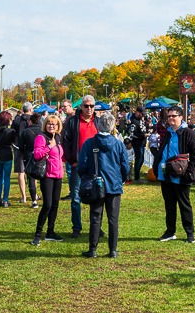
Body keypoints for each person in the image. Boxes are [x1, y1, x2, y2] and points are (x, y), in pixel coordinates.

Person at [77, 113, 129, 258]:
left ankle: (92, 249)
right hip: (114, 184)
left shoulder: (89, 143)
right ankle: (113, 249)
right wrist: (121, 179)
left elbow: (82, 166)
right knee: (113, 219)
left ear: (98, 125)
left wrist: (87, 178)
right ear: (113, 127)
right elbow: (125, 166)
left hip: (96, 184)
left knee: (95, 217)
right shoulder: (118, 144)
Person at [153, 105, 195, 244]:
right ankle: (170, 231)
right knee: (169, 205)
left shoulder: (187, 133)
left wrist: (189, 170)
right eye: (169, 116)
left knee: (184, 204)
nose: (171, 118)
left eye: (174, 116)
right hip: (166, 175)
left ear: (181, 117)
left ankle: (190, 233)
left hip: (181, 176)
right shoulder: (168, 132)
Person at [62, 95, 99, 238]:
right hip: (78, 165)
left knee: (97, 197)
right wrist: (72, 161)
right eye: (86, 106)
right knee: (76, 197)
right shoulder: (73, 121)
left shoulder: (99, 121)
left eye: (91, 106)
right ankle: (76, 227)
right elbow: (66, 141)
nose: (89, 108)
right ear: (81, 107)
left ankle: (96, 226)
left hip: (96, 167)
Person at [31, 114, 65, 246]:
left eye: (54, 124)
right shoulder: (41, 137)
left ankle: (50, 232)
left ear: (58, 126)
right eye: (50, 123)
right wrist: (49, 147)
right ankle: (38, 234)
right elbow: (37, 154)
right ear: (45, 124)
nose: (52, 126)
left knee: (55, 204)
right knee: (47, 205)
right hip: (47, 175)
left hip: (58, 175)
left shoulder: (58, 137)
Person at [0, 112, 17, 206]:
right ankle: (5, 200)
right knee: (6, 178)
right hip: (7, 155)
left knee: (0, 177)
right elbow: (14, 142)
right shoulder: (11, 132)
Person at [18, 112, 42, 207]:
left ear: (30, 121)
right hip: (41, 155)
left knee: (31, 178)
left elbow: (20, 146)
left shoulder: (25, 132)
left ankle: (34, 201)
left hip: (29, 155)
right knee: (43, 176)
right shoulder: (42, 131)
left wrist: (25, 151)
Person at [12, 102, 34, 204]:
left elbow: (12, 133)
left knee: (21, 172)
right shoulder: (33, 120)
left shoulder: (16, 120)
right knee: (33, 172)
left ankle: (23, 196)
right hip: (30, 148)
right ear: (30, 110)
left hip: (18, 147)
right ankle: (34, 194)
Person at [127, 108, 149, 181]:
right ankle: (137, 177)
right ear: (137, 113)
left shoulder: (141, 120)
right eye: (142, 114)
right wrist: (142, 136)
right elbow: (132, 133)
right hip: (137, 142)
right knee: (139, 159)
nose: (143, 116)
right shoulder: (133, 121)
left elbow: (143, 129)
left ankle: (137, 175)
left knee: (141, 159)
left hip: (142, 142)